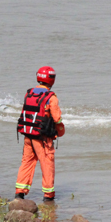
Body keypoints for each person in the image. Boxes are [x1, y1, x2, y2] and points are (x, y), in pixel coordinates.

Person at [15, 66, 65, 202]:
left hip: (28, 135)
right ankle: (48, 195)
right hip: (43, 138)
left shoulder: (29, 93)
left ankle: (19, 192)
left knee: (26, 162)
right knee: (47, 163)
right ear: (52, 80)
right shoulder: (51, 97)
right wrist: (61, 129)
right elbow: (57, 118)